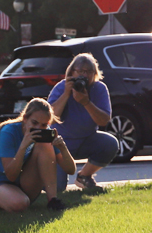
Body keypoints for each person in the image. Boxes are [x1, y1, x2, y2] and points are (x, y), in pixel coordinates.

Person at [0, 98, 77, 212]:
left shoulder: (44, 133)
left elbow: (71, 170)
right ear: (25, 118)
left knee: (45, 145)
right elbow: (10, 175)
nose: (39, 128)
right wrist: (23, 146)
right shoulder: (7, 132)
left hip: (23, 182)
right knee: (20, 204)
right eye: (34, 123)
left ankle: (53, 201)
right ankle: (6, 200)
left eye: (44, 124)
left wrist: (63, 148)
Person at [47, 53, 118, 191]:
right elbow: (50, 118)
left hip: (87, 140)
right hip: (60, 144)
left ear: (94, 74)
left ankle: (84, 176)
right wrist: (66, 94)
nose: (84, 76)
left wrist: (86, 102)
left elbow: (104, 120)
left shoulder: (99, 88)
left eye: (89, 72)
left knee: (110, 143)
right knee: (58, 188)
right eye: (80, 71)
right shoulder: (62, 87)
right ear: (72, 72)